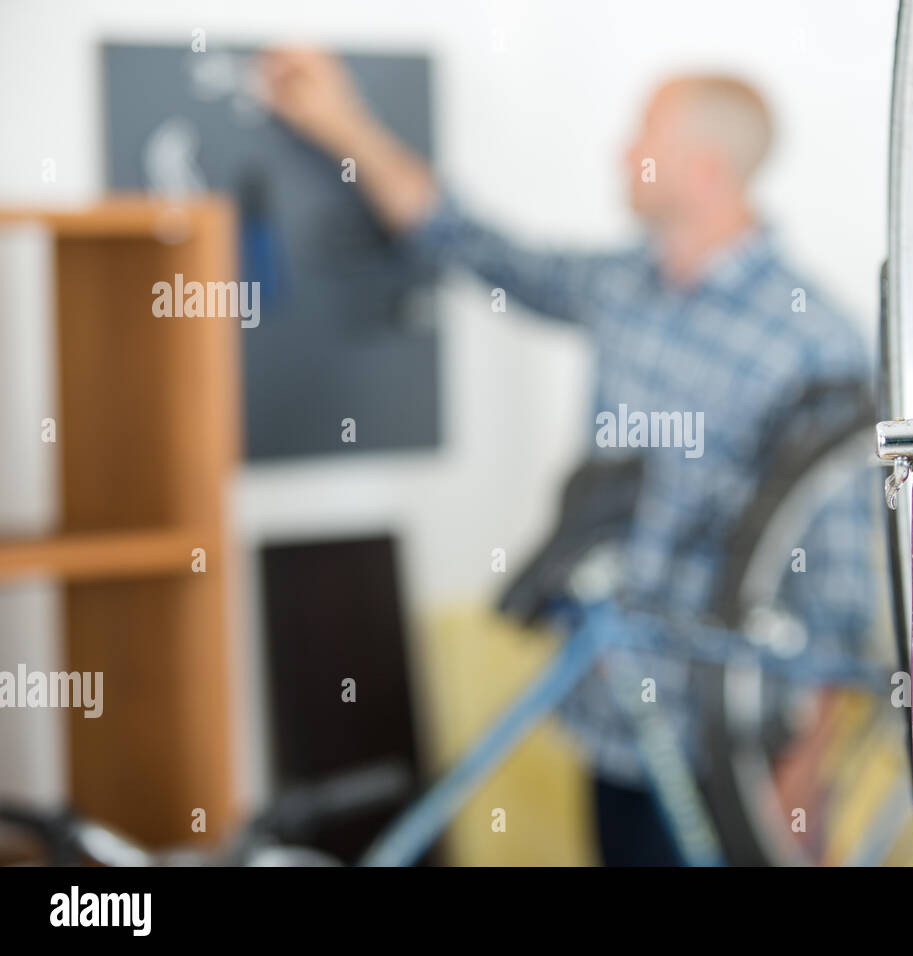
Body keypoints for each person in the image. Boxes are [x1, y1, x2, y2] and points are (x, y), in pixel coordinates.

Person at [260, 50, 877, 865]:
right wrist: (342, 125)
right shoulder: (629, 285)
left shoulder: (812, 340)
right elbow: (473, 245)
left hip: (723, 754)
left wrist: (799, 783)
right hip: (613, 719)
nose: (621, 153)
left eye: (641, 135)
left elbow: (836, 585)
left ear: (701, 167)